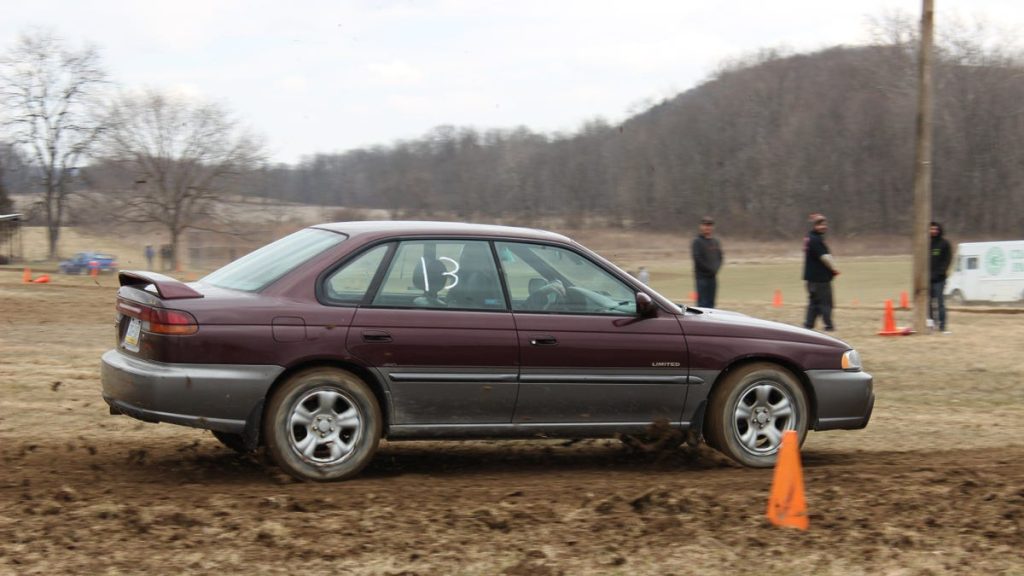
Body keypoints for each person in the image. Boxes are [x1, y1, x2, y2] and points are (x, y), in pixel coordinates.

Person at [803, 214, 839, 331]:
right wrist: (834, 268)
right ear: (814, 226)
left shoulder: (809, 238)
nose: (824, 227)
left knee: (814, 303)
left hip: (811, 278)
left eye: (824, 224)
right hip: (820, 279)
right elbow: (825, 257)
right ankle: (829, 326)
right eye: (820, 224)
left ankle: (808, 326)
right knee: (826, 303)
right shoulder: (816, 240)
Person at [691, 216, 723, 308]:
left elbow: (720, 257)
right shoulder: (697, 242)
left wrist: (716, 268)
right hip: (702, 278)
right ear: (701, 226)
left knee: (711, 304)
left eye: (709, 225)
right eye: (705, 225)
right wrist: (709, 269)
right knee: (703, 305)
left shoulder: (715, 242)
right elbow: (698, 259)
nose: (707, 227)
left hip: (712, 278)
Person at [929, 221, 952, 333]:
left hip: (939, 279)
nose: (933, 231)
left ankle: (942, 326)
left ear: (939, 230)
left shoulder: (944, 244)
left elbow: (947, 260)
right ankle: (931, 324)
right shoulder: (925, 243)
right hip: (927, 279)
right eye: (931, 229)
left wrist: (939, 273)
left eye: (935, 229)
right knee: (928, 303)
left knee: (940, 302)